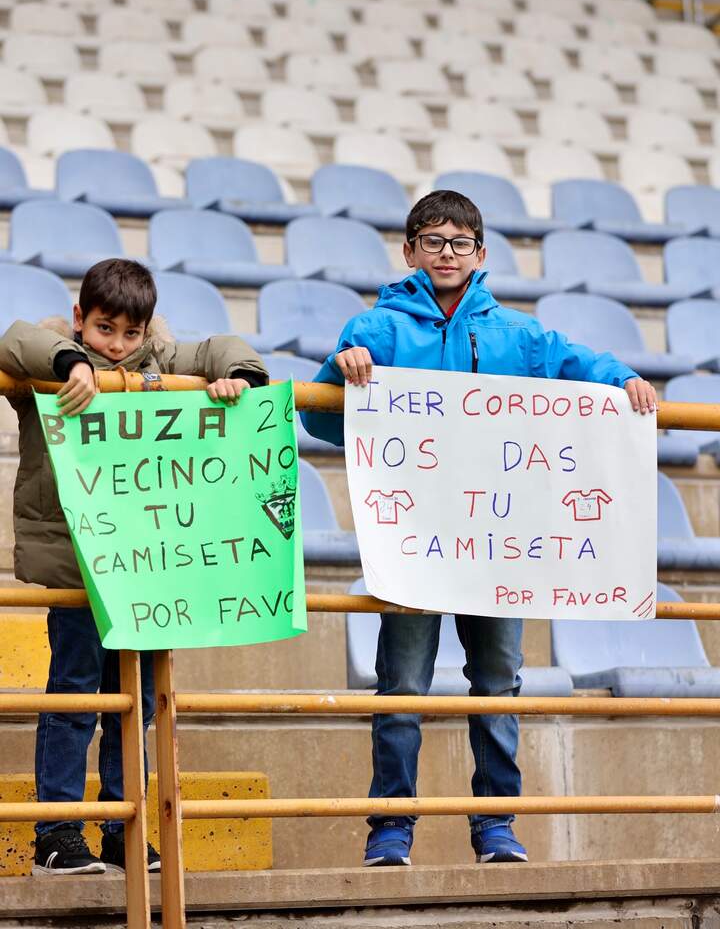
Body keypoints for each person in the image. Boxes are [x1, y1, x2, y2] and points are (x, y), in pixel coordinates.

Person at [301, 190, 657, 868]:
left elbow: (579, 365)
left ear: (481, 254)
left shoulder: (516, 335)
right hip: (413, 544)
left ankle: (496, 826)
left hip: (499, 547)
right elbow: (321, 420)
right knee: (401, 687)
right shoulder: (374, 329)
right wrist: (338, 373)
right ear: (408, 251)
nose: (446, 253)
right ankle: (391, 830)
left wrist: (626, 379)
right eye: (432, 241)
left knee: (498, 685)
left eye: (459, 242)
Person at [0, 258, 268, 876]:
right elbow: (14, 338)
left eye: (130, 334)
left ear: (148, 333)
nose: (116, 347)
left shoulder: (160, 367)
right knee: (74, 696)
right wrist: (72, 362)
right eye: (103, 330)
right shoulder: (53, 363)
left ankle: (123, 829)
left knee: (140, 700)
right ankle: (57, 836)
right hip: (81, 570)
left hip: (152, 572)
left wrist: (239, 377)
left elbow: (224, 347)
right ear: (78, 321)